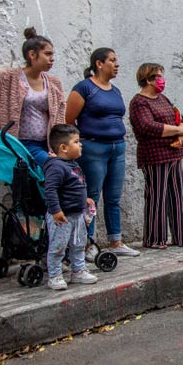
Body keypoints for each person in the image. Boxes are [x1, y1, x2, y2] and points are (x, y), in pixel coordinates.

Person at [65, 48, 140, 259]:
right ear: (99, 63)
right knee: (91, 197)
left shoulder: (114, 90)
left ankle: (115, 240)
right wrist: (81, 144)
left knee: (113, 197)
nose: (117, 64)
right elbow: (69, 119)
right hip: (93, 149)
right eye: (112, 60)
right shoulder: (84, 88)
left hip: (117, 148)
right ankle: (88, 244)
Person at [0, 28, 66, 166]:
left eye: (52, 54)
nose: (52, 59)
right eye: (47, 54)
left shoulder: (54, 83)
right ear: (32, 54)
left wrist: (59, 147)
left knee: (59, 174)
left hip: (47, 146)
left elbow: (60, 117)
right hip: (19, 144)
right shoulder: (8, 78)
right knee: (55, 169)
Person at [128, 63, 183, 249]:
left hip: (175, 153)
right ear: (147, 79)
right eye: (157, 76)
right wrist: (178, 129)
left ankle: (181, 237)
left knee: (178, 196)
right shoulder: (139, 102)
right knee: (157, 198)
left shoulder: (163, 99)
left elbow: (178, 118)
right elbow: (147, 126)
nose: (161, 80)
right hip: (154, 155)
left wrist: (182, 134)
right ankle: (154, 239)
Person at [43, 124, 98, 290]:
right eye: (76, 141)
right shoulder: (56, 167)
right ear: (63, 147)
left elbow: (77, 185)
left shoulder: (73, 164)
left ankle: (78, 270)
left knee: (79, 244)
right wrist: (56, 211)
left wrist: (85, 199)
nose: (80, 144)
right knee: (58, 246)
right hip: (62, 216)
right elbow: (50, 189)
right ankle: (54, 275)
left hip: (77, 214)